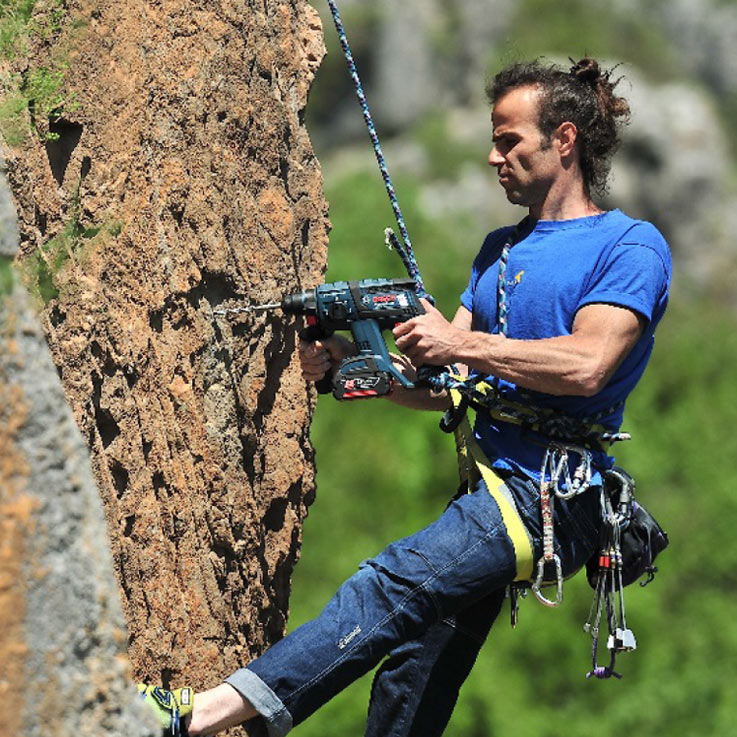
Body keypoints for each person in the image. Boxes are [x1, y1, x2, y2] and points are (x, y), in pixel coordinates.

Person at [142, 56, 672, 736]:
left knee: (387, 584)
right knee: (417, 661)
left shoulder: (628, 246)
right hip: (490, 487)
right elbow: (449, 383)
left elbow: (587, 364)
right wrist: (351, 368)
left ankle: (197, 716)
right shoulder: (497, 253)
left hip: (552, 494)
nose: (492, 156)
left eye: (509, 140)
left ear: (563, 140)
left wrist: (458, 345)